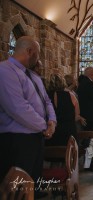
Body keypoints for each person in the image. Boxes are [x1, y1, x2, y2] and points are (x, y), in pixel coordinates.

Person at [0, 36, 56, 191]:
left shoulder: (34, 76)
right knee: (18, 190)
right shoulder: (4, 70)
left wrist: (52, 121)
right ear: (30, 51)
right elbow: (18, 108)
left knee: (33, 187)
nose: (38, 59)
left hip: (37, 137)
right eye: (37, 54)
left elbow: (47, 101)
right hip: (17, 141)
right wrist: (44, 125)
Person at [45, 74, 80, 146]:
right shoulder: (71, 95)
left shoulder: (45, 96)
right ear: (63, 82)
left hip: (51, 134)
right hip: (68, 134)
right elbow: (77, 116)